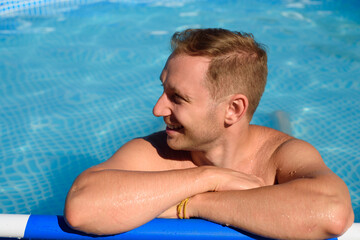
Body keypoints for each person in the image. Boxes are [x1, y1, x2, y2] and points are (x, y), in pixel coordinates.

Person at [64, 28, 354, 239]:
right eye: (163, 90)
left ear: (233, 110)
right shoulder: (156, 153)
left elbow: (332, 213)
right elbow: (82, 207)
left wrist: (197, 203)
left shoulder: (280, 157)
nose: (157, 109)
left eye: (177, 98)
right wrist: (208, 178)